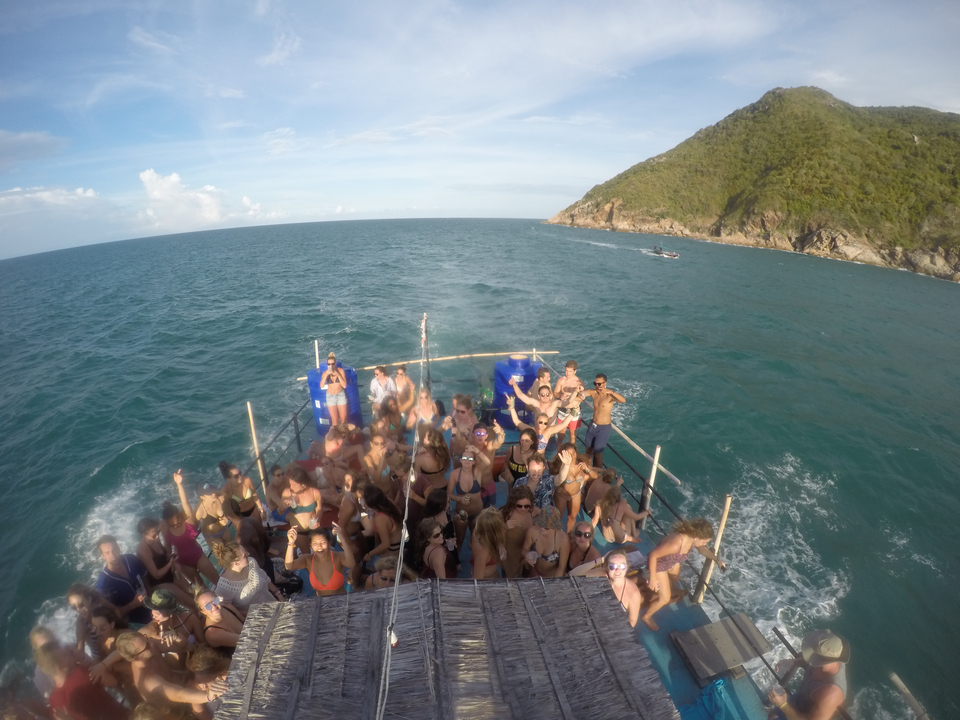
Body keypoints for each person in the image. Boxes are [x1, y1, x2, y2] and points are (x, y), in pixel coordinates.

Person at [642, 518, 726, 631]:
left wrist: (717, 560)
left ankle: (671, 590)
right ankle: (646, 617)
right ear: (696, 536)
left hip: (669, 563)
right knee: (665, 598)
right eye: (704, 541)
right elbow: (653, 555)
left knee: (676, 577)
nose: (704, 544)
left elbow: (703, 550)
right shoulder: (676, 544)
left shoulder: (691, 539)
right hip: (657, 566)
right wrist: (652, 578)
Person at [115, 631, 226, 708]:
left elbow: (182, 644)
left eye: (146, 639)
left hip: (184, 683)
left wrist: (175, 635)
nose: (151, 643)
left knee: (204, 664)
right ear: (137, 658)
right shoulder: (147, 679)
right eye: (146, 645)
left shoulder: (151, 648)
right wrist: (208, 696)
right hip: (179, 707)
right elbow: (179, 694)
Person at [767, 629, 849, 720]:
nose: (810, 653)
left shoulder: (832, 693)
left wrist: (783, 705)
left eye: (813, 652)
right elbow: (809, 660)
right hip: (798, 699)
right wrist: (793, 662)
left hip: (801, 716)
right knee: (772, 714)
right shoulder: (828, 658)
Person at [34, 644, 129, 720]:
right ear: (60, 668)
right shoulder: (81, 673)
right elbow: (112, 682)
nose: (70, 655)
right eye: (66, 655)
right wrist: (83, 660)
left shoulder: (53, 701)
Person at [162, 487, 221, 587]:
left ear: (181, 517)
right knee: (201, 588)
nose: (175, 526)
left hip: (197, 556)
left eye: (178, 523)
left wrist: (179, 484)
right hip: (183, 563)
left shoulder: (189, 522)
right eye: (172, 525)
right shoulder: (166, 531)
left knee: (218, 582)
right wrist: (173, 563)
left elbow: (185, 503)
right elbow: (168, 551)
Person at [135, 518, 195, 610]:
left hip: (170, 573)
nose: (157, 537)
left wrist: (174, 560)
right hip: (159, 582)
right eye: (154, 535)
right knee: (189, 604)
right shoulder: (143, 550)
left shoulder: (155, 539)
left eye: (158, 532)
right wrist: (170, 563)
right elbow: (156, 575)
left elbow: (165, 555)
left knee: (194, 596)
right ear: (143, 535)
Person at [138, 589, 202, 670]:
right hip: (174, 675)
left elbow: (204, 643)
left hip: (198, 665)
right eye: (152, 611)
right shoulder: (148, 631)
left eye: (158, 613)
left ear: (170, 612)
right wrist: (187, 648)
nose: (154, 615)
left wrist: (191, 648)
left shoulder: (188, 618)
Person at [284, 524, 355, 596]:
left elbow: (351, 563)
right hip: (321, 603)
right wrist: (291, 543)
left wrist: (343, 539)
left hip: (340, 602)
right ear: (311, 545)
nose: (319, 547)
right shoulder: (308, 560)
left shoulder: (338, 557)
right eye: (315, 544)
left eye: (323, 543)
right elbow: (289, 566)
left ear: (329, 543)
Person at [211, 541, 284, 610]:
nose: (248, 554)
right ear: (236, 563)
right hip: (255, 618)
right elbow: (230, 610)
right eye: (245, 555)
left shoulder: (251, 562)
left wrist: (278, 593)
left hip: (272, 603)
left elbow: (264, 577)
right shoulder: (223, 588)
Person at [96, 536, 151, 626]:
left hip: (150, 603)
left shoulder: (131, 559)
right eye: (107, 552)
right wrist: (133, 605)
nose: (112, 555)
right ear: (103, 556)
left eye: (114, 550)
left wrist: (150, 595)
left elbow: (145, 578)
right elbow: (114, 615)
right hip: (134, 620)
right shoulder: (104, 584)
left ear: (118, 548)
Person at [580, 374, 626, 467]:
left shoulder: (609, 396)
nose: (597, 386)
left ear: (605, 383)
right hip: (593, 425)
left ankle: (597, 475)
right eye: (595, 383)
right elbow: (583, 393)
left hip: (603, 428)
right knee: (588, 450)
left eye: (599, 384)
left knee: (598, 454)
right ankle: (586, 469)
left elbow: (623, 400)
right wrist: (580, 392)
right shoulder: (594, 393)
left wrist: (612, 392)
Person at [553, 444, 598, 532]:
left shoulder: (581, 465)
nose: (572, 456)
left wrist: (587, 469)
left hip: (575, 495)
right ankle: (555, 536)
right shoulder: (563, 466)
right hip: (562, 495)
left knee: (572, 517)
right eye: (569, 454)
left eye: (573, 453)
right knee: (557, 518)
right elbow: (560, 476)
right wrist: (566, 464)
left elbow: (595, 476)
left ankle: (568, 536)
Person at [447, 446, 486, 548]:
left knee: (477, 541)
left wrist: (477, 450)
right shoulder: (454, 474)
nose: (467, 461)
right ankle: (457, 562)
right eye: (464, 458)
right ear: (460, 460)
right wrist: (460, 499)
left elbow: (487, 462)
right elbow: (449, 494)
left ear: (473, 462)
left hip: (477, 513)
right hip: (462, 514)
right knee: (459, 540)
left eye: (470, 459)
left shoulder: (477, 471)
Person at [505, 398, 575, 453]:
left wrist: (575, 411)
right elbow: (516, 422)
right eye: (540, 422)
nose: (542, 425)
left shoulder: (548, 432)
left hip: (540, 460)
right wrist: (511, 407)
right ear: (536, 421)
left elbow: (563, 424)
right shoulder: (530, 431)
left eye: (545, 423)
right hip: (529, 458)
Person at [66, 583, 113, 659]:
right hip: (100, 659)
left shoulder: (100, 604)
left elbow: (117, 611)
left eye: (81, 604)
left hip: (115, 648)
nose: (78, 610)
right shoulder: (82, 623)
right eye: (74, 607)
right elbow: (80, 651)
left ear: (89, 599)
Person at [285, 464, 324, 553]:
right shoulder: (288, 493)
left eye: (294, 485)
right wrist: (283, 506)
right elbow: (280, 511)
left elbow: (319, 509)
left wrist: (317, 519)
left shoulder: (315, 493)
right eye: (290, 484)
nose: (291, 487)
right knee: (306, 554)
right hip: (298, 531)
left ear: (303, 485)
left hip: (313, 528)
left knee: (319, 553)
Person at [194, 589, 245, 658]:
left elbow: (246, 621)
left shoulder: (227, 607)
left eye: (215, 601)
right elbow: (244, 641)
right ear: (203, 612)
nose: (214, 607)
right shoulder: (213, 632)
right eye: (207, 606)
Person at [521, 506, 569, 578]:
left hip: (551, 577)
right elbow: (524, 549)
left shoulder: (563, 540)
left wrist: (555, 583)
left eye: (546, 527)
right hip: (533, 573)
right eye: (540, 524)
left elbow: (561, 567)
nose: (542, 528)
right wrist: (527, 555)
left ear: (555, 527)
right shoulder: (532, 531)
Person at [500, 486, 536, 578]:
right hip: (511, 555)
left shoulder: (534, 512)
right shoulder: (505, 514)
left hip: (528, 553)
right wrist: (505, 527)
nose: (523, 509)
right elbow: (493, 534)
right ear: (514, 503)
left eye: (526, 506)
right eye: (519, 506)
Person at [361, 485, 403, 561]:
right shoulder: (388, 502)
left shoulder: (380, 518)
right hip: (399, 544)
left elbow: (385, 544)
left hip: (392, 551)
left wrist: (370, 554)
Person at [469, 421, 505, 508]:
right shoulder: (469, 448)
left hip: (489, 485)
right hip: (474, 487)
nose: (480, 436)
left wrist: (501, 433)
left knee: (491, 510)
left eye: (482, 433)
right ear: (473, 435)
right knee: (476, 511)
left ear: (486, 436)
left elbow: (499, 442)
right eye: (477, 433)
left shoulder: (490, 446)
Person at [553, 360, 583, 446]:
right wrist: (560, 396)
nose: (567, 373)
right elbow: (555, 393)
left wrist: (574, 398)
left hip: (574, 411)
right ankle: (558, 449)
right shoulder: (561, 380)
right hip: (563, 410)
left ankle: (572, 451)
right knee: (561, 431)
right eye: (566, 371)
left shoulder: (579, 383)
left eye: (570, 371)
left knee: (572, 432)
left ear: (575, 371)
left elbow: (582, 397)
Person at [471, 507, 506, 580]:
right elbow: (477, 579)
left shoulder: (481, 532)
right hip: (487, 582)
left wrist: (500, 546)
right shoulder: (483, 551)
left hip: (494, 575)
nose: (504, 526)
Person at [321, 352, 349, 426]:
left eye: (333, 364)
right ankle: (336, 436)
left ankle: (345, 435)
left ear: (335, 363)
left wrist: (338, 375)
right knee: (334, 421)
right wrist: (326, 375)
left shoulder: (340, 371)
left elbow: (344, 385)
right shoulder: (325, 373)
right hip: (330, 396)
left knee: (343, 419)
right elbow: (321, 385)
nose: (331, 366)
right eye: (329, 364)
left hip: (340, 395)